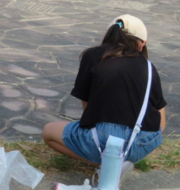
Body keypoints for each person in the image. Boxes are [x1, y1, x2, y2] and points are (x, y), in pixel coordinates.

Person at [42, 15, 166, 175]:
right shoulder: (149, 67)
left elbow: (88, 109)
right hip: (143, 143)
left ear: (109, 36)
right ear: (142, 44)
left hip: (104, 138)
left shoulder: (92, 56)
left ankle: (109, 165)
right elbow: (160, 119)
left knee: (49, 132)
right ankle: (119, 162)